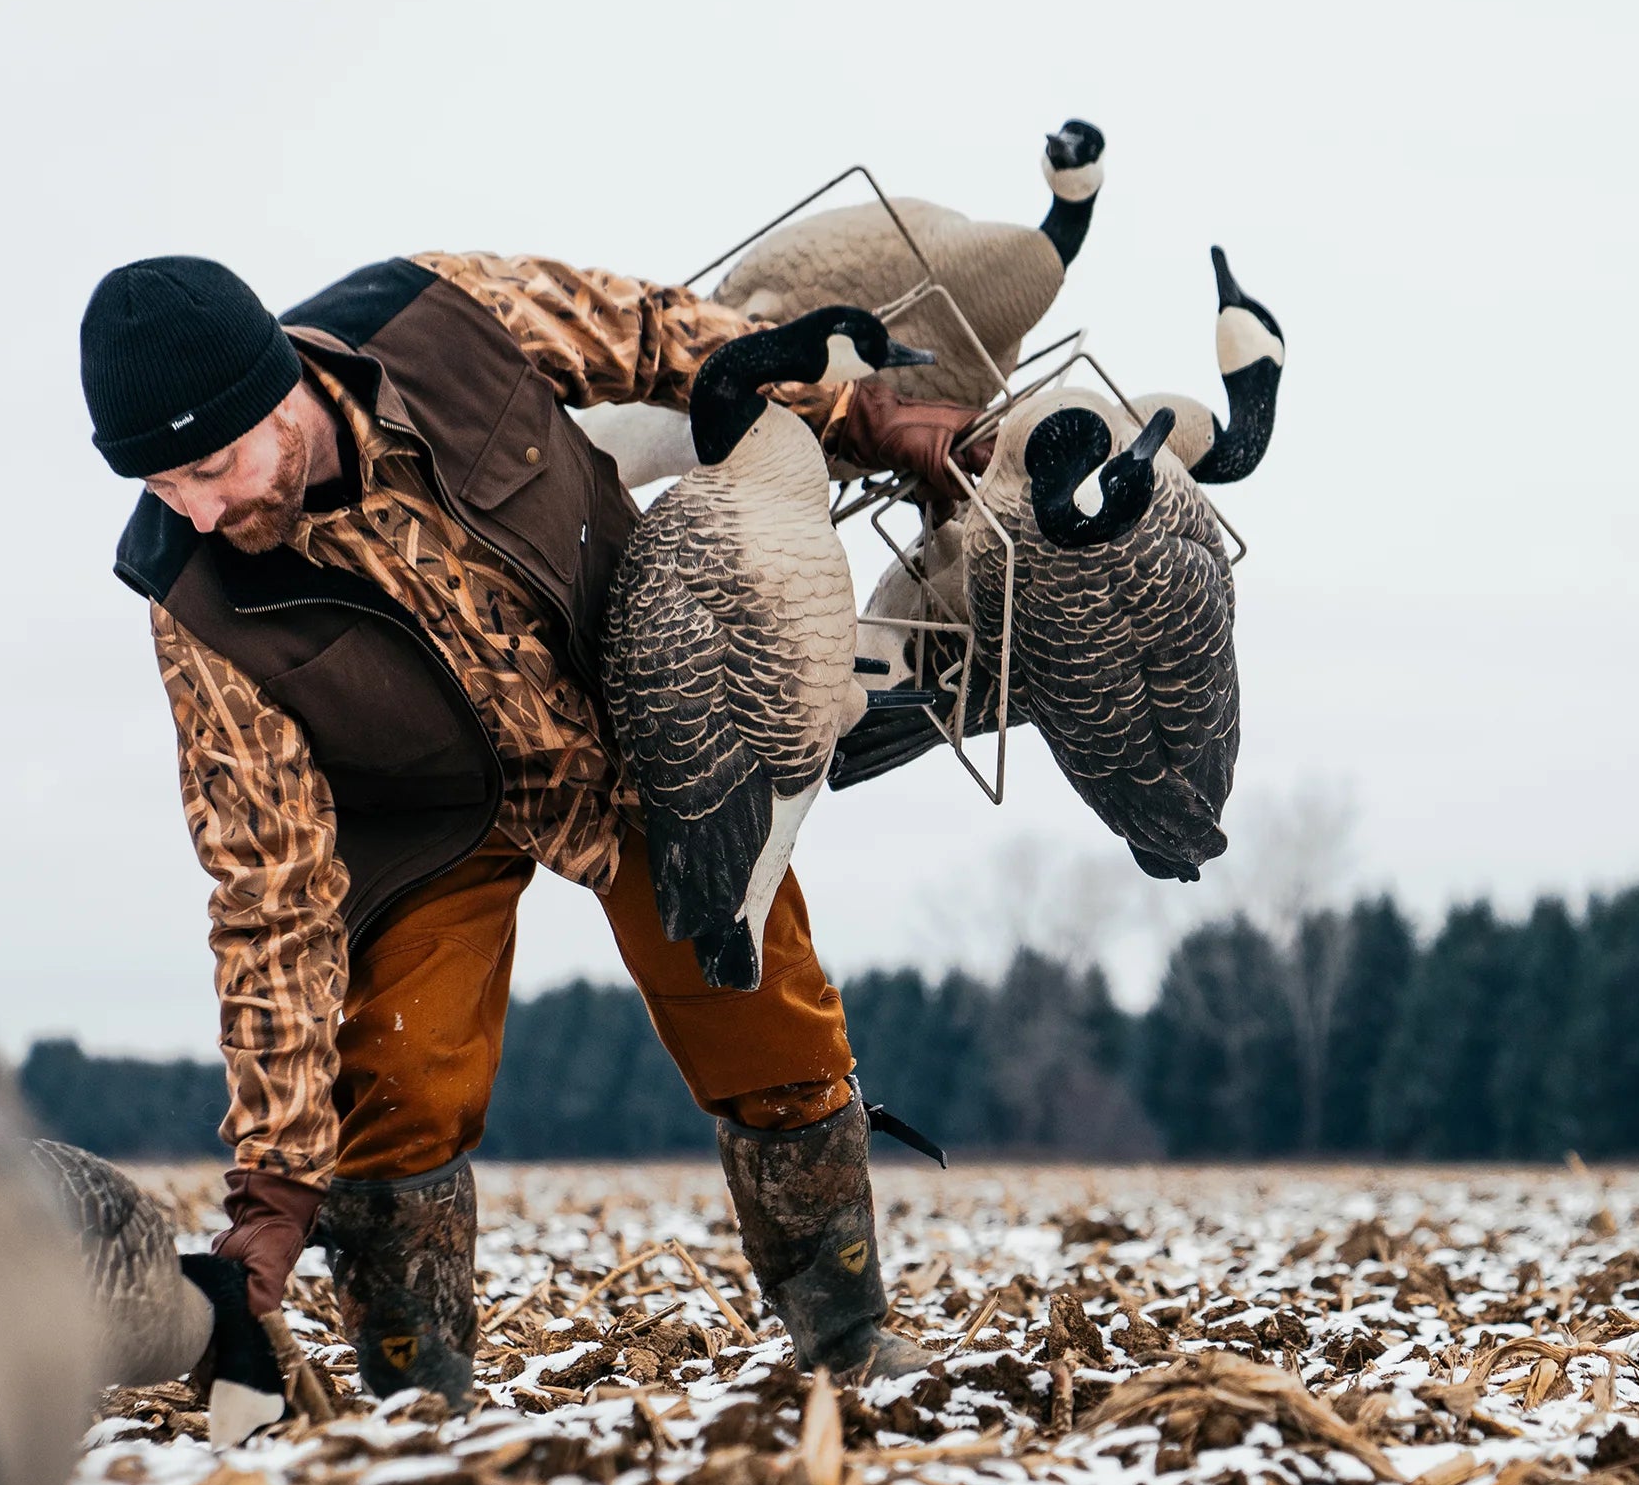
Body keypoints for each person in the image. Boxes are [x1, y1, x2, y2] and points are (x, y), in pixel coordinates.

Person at [79, 248, 984, 1409]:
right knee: (396, 1084)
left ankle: (850, 1343)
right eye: (162, 491)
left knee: (772, 1022)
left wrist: (859, 413)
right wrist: (269, 1192)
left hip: (642, 723)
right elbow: (268, 890)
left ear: (277, 387)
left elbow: (657, 338)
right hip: (424, 820)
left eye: (210, 466)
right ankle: (421, 1397)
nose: (198, 510)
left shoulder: (442, 318)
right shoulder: (191, 599)